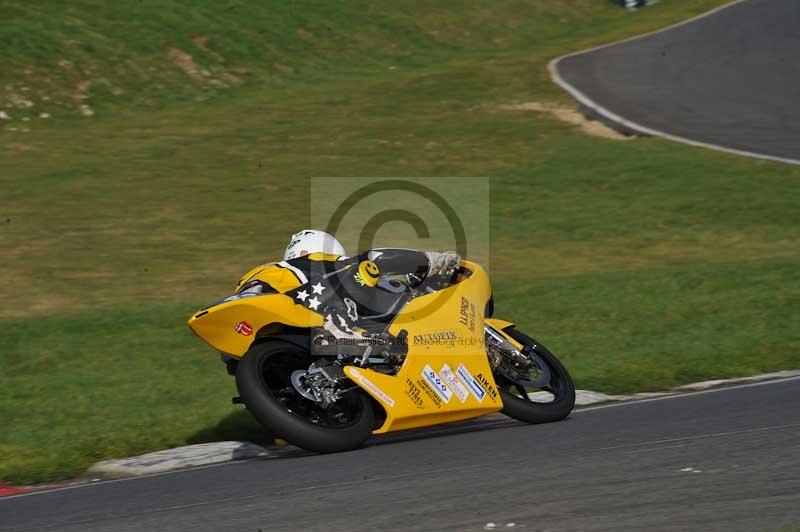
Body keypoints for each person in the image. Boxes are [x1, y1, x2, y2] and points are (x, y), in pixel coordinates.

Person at [235, 229, 461, 353]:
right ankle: (435, 263)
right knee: (370, 261)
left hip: (279, 330)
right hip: (314, 315)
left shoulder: (273, 272)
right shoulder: (306, 264)